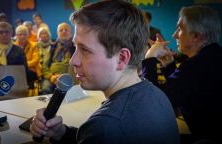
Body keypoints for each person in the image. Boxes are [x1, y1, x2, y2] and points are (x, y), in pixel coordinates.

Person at [30, 1, 180, 144]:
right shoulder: (157, 94)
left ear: (121, 58)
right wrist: (61, 133)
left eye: (85, 50)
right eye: (76, 47)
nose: (73, 61)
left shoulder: (106, 125)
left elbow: (101, 135)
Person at [142, 5, 222, 144]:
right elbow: (178, 90)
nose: (174, 35)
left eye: (180, 29)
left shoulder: (195, 66)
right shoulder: (212, 56)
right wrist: (168, 65)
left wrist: (149, 59)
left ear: (196, 36)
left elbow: (155, 102)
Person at [41, 22, 75, 94]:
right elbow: (44, 66)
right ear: (57, 33)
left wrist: (63, 78)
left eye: (66, 30)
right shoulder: (52, 47)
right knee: (45, 89)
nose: (64, 31)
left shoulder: (75, 47)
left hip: (69, 78)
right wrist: (51, 77)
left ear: (71, 33)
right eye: (61, 30)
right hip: (52, 77)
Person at [14, 25, 40, 90]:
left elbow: (35, 61)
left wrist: (23, 66)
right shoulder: (13, 46)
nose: (22, 36)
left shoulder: (34, 45)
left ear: (28, 35)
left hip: (32, 70)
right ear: (16, 36)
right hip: (18, 70)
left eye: (25, 34)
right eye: (20, 34)